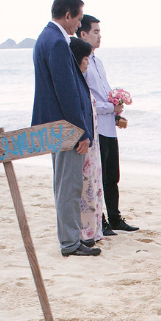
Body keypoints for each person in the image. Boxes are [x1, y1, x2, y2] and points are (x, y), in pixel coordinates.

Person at [32, 0, 99, 257]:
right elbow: (66, 91)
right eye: (78, 19)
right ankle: (70, 243)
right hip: (65, 128)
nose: (79, 25)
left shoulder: (46, 37)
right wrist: (81, 131)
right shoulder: (58, 42)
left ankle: (72, 238)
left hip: (56, 125)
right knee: (69, 185)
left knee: (65, 184)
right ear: (67, 15)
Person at [77, 14, 138, 234]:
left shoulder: (98, 62)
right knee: (98, 177)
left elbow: (105, 92)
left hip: (109, 127)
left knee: (113, 175)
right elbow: (89, 100)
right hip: (95, 128)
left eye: (100, 32)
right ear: (83, 34)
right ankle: (100, 220)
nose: (99, 36)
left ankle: (115, 218)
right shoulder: (82, 63)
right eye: (95, 32)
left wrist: (116, 112)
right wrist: (110, 108)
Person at [69, 37, 104, 245]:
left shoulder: (81, 82)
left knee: (92, 185)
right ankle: (86, 232)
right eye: (85, 60)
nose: (88, 64)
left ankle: (94, 229)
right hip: (84, 144)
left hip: (92, 143)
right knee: (85, 188)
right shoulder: (74, 82)